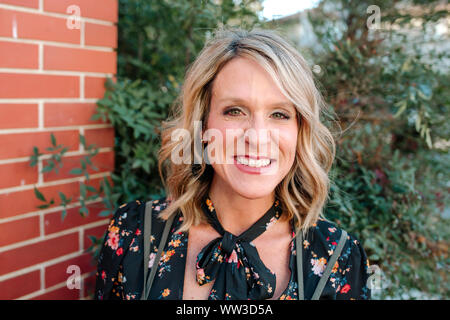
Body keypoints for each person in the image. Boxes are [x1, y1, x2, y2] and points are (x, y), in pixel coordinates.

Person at [94, 27, 372, 300]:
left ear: (300, 131)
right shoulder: (133, 234)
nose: (257, 137)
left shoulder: (338, 257)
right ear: (202, 125)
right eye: (235, 111)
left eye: (279, 114)